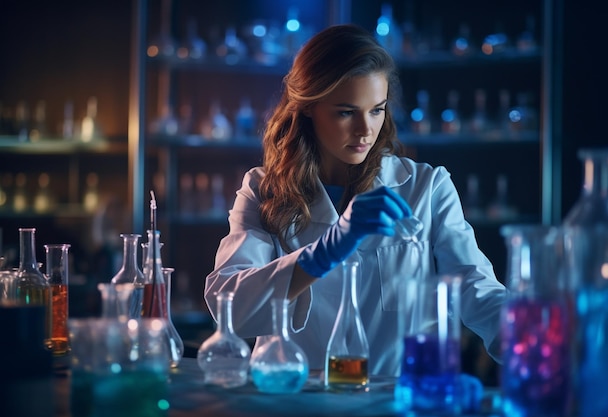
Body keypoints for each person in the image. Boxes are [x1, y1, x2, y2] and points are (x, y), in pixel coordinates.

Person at [204, 24, 506, 376]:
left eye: (376, 110)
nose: (365, 129)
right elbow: (230, 307)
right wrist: (325, 252)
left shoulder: (426, 187)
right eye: (346, 112)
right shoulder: (262, 190)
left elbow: (475, 287)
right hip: (295, 399)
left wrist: (535, 341)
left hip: (392, 400)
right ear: (308, 108)